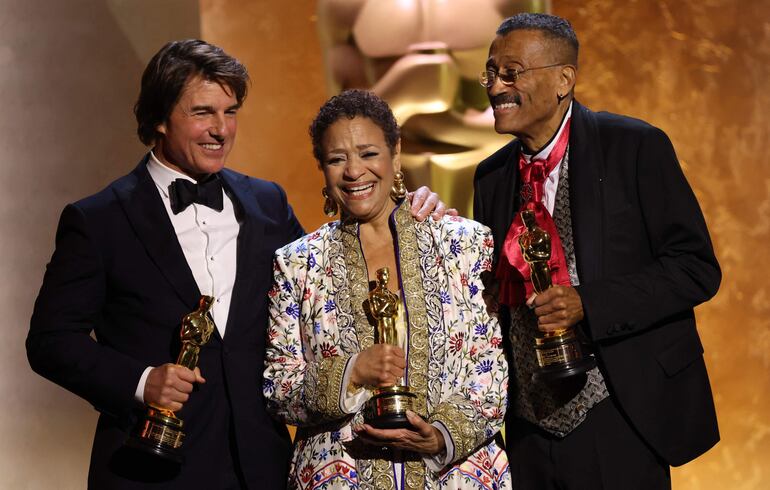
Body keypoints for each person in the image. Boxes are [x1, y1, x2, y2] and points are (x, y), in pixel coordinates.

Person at [26, 40, 446, 489]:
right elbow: (51, 341)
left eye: (230, 112)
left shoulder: (266, 203)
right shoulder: (99, 219)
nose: (221, 129)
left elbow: (328, 283)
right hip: (150, 467)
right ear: (160, 118)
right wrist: (142, 382)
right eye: (203, 112)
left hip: (260, 468)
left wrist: (407, 220)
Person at [473, 13, 721, 490]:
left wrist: (589, 302)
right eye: (491, 73)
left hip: (621, 415)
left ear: (563, 80)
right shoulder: (490, 177)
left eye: (511, 73)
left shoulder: (634, 146)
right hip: (527, 428)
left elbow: (695, 269)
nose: (496, 87)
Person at [263, 89, 510, 489]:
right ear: (321, 168)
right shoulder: (297, 263)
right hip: (339, 476)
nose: (353, 171)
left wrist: (441, 436)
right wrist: (352, 372)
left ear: (396, 154)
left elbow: (492, 371)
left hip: (456, 476)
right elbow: (278, 388)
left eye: (368, 153)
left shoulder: (464, 244)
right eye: (336, 159)